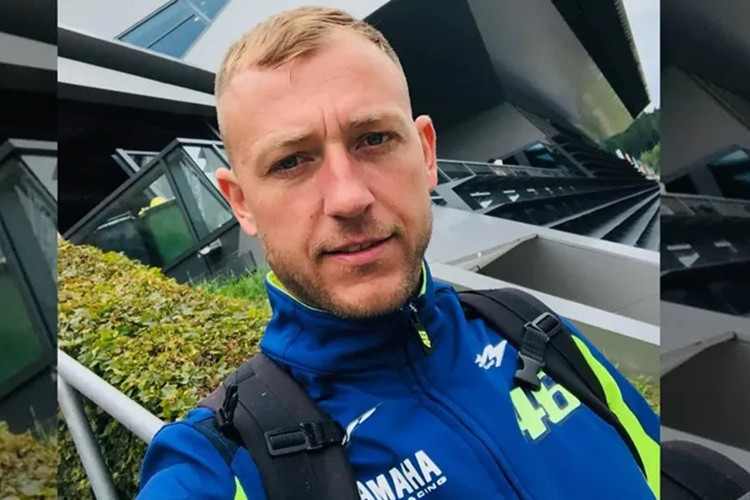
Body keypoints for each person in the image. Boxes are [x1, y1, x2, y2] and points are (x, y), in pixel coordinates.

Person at [138, 6, 659, 499]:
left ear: (426, 153)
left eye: (374, 139)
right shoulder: (220, 463)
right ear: (242, 203)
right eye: (291, 162)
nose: (348, 198)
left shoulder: (529, 328)